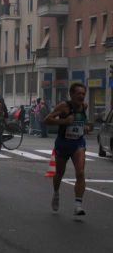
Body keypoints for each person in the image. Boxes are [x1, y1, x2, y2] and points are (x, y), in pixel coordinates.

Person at [44, 82, 90, 216]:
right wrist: (64, 121)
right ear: (71, 94)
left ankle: (78, 205)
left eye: (83, 94)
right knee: (59, 174)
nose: (81, 96)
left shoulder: (84, 106)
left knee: (80, 172)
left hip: (78, 143)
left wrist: (85, 127)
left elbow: (82, 123)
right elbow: (47, 119)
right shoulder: (64, 106)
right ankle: (56, 194)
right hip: (63, 143)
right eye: (78, 94)